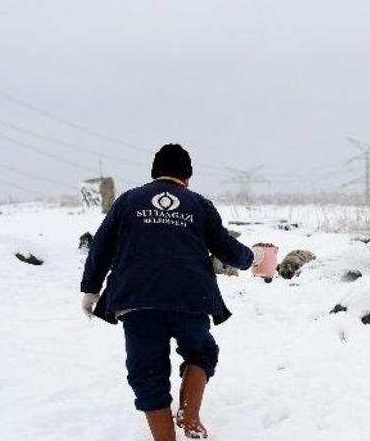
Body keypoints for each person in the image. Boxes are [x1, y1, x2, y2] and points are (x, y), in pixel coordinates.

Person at [80, 144, 265, 440]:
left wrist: (90, 289)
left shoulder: (128, 201)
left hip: (136, 300)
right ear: (187, 175)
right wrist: (252, 258)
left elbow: (101, 247)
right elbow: (226, 248)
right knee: (201, 351)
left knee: (146, 372)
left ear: (154, 172)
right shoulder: (198, 205)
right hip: (191, 298)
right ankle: (190, 415)